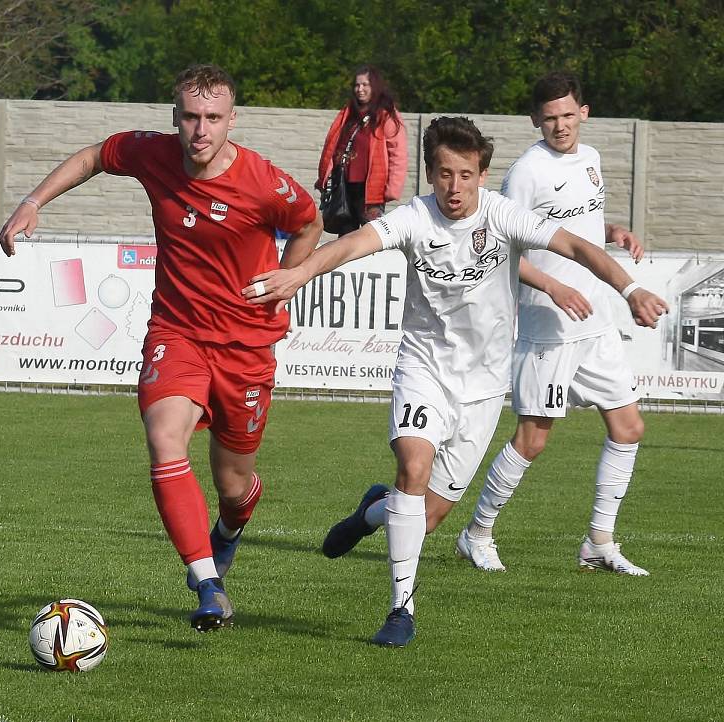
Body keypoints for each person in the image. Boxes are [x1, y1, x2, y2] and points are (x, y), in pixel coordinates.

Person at [242, 116, 667, 647]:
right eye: (444, 174)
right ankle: (401, 609)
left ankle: (373, 511)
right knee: (414, 465)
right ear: (430, 174)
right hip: (424, 370)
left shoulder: (503, 216)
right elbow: (353, 245)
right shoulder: (414, 218)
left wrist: (630, 291)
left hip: (484, 387)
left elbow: (578, 248)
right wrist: (299, 274)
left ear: (482, 175)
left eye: (466, 175)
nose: (454, 187)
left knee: (427, 514)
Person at [0, 64, 322, 632]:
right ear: (176, 119)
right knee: (163, 438)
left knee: (233, 485)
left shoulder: (264, 183)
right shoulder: (153, 155)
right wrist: (33, 200)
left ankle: (227, 530)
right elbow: (96, 155)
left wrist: (288, 279)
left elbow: (309, 221)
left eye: (213, 119)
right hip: (177, 332)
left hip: (246, 346)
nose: (201, 130)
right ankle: (207, 583)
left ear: (231, 121)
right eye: (191, 117)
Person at [456, 71, 654, 576]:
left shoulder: (590, 160)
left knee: (629, 427)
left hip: (596, 323)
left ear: (584, 113)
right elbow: (499, 249)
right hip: (548, 324)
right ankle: (476, 532)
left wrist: (613, 232)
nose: (561, 126)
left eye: (568, 115)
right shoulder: (526, 172)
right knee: (533, 439)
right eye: (550, 118)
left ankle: (598, 542)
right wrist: (553, 286)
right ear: (535, 121)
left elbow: (575, 228)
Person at [317, 65, 407, 234]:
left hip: (371, 189)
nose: (360, 89)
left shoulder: (386, 115)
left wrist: (392, 187)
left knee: (371, 235)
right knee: (345, 237)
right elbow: (332, 146)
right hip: (343, 185)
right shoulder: (347, 114)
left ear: (375, 86)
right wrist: (324, 177)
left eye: (365, 85)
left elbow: (398, 154)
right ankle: (345, 262)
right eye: (357, 85)